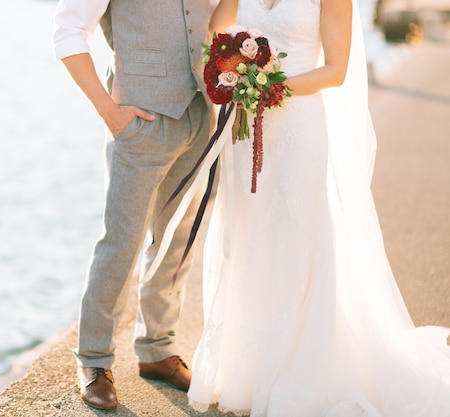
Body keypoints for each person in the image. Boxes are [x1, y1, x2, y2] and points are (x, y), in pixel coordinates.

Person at [183, 0, 450, 415]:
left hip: (298, 126)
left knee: (297, 237)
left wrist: (272, 87)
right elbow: (215, 31)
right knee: (248, 239)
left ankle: (297, 367)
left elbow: (336, 70)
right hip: (247, 128)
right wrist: (230, 69)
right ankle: (247, 367)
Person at [52, 0, 215, 410]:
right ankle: (93, 359)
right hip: (140, 124)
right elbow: (68, 32)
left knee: (177, 242)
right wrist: (110, 113)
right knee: (121, 244)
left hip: (202, 116)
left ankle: (157, 348)